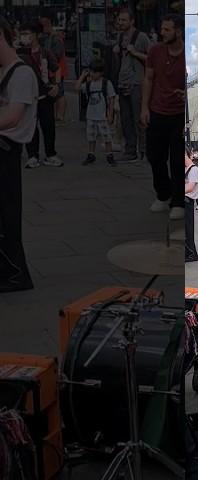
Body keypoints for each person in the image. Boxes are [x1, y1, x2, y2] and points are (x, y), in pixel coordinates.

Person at [0, 15, 39, 292]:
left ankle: (14, 275)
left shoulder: (22, 73)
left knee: (6, 216)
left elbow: (12, 118)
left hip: (6, 152)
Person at [141, 14, 186, 220]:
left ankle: (178, 201)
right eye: (162, 29)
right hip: (157, 110)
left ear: (178, 31)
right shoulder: (155, 51)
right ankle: (163, 193)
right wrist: (144, 108)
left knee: (177, 161)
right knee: (154, 156)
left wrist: (185, 94)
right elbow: (148, 79)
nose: (162, 33)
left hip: (178, 115)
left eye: (167, 29)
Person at [19, 21, 63, 168]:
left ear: (36, 35)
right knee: (30, 127)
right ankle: (32, 155)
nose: (24, 37)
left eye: (27, 34)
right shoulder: (19, 53)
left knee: (48, 126)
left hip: (44, 95)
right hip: (27, 97)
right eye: (22, 34)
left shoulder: (45, 52)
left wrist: (56, 85)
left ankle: (50, 154)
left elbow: (56, 69)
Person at [114, 9, 150, 163]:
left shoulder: (141, 37)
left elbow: (152, 58)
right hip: (123, 82)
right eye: (119, 20)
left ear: (132, 21)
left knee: (139, 119)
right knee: (125, 119)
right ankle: (130, 151)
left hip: (137, 83)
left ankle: (144, 151)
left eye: (123, 20)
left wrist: (135, 53)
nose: (120, 23)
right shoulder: (120, 37)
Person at [75, 59, 116, 166]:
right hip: (91, 115)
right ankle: (91, 154)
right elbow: (77, 88)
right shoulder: (89, 84)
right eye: (91, 72)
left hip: (102, 116)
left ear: (101, 72)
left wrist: (110, 114)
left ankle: (109, 155)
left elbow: (111, 99)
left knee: (107, 136)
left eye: (95, 72)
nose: (92, 74)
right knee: (91, 136)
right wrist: (82, 76)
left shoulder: (106, 83)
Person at [39, 12, 66, 123]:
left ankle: (60, 117)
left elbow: (57, 55)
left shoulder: (55, 37)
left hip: (57, 70)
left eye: (44, 24)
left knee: (59, 94)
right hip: (51, 70)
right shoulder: (46, 37)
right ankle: (56, 116)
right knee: (55, 93)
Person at [184, 148, 198, 262]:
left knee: (187, 229)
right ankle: (186, 252)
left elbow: (190, 188)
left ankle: (191, 254)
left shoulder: (194, 170)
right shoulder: (187, 169)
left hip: (188, 202)